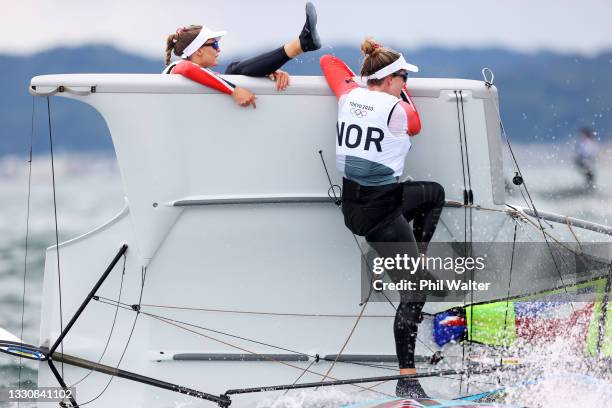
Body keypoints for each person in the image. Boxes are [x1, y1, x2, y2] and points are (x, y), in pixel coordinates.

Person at [320, 39, 446, 399]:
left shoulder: (348, 95)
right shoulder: (396, 107)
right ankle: (407, 378)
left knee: (432, 194)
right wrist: (397, 88)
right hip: (380, 214)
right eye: (403, 76)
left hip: (355, 207)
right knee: (416, 290)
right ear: (391, 78)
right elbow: (416, 123)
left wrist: (368, 70)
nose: (406, 83)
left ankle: (414, 256)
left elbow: (329, 61)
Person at [163, 2, 321, 108]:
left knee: (234, 71)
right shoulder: (177, 67)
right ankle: (301, 44)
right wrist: (234, 90)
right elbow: (186, 68)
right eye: (215, 44)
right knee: (232, 70)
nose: (218, 50)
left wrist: (268, 72)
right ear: (198, 50)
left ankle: (300, 45)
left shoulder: (204, 75)